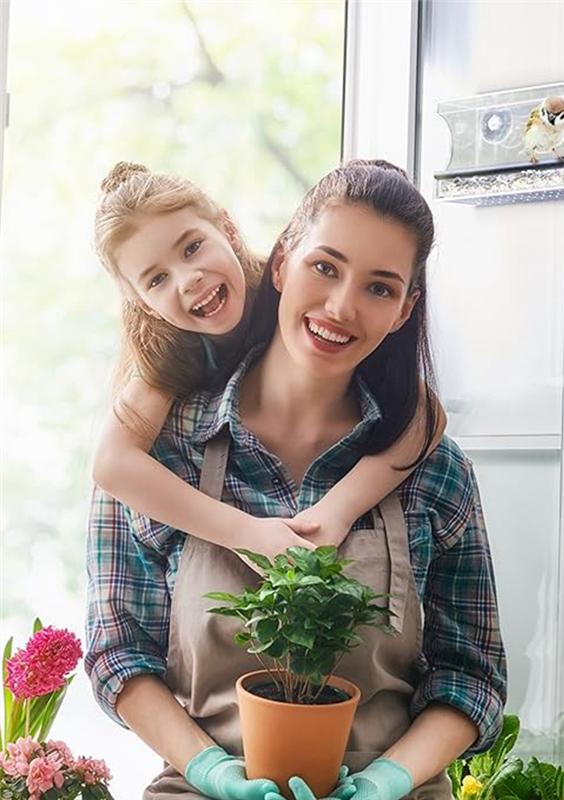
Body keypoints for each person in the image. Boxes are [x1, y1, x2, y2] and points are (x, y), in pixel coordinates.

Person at [85, 159, 507, 800]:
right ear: (282, 261)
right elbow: (119, 654)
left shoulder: (430, 468)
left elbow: (471, 676)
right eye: (325, 267)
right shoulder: (158, 455)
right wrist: (209, 771)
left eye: (380, 288)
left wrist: (389, 780)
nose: (341, 307)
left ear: (403, 311)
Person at [91, 162, 446, 561]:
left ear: (227, 229)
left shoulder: (291, 287)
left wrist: (336, 513)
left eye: (192, 248)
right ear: (143, 305)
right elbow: (110, 464)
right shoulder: (169, 354)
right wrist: (246, 533)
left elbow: (426, 416)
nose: (188, 279)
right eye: (157, 279)